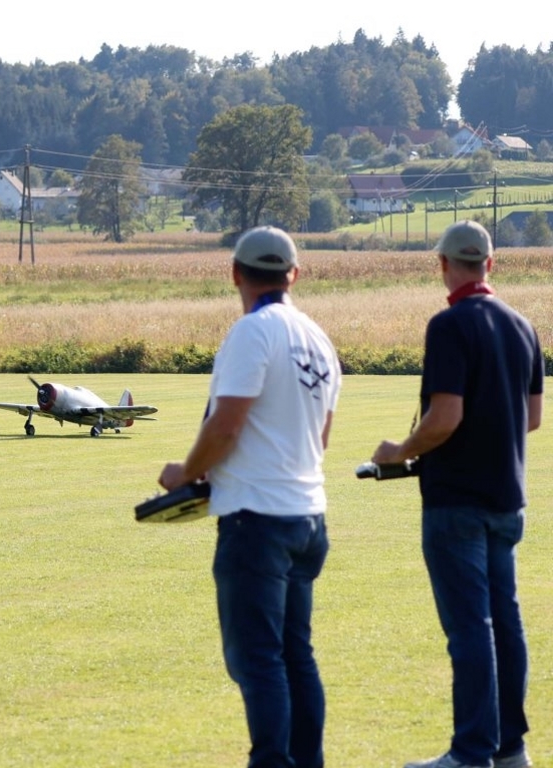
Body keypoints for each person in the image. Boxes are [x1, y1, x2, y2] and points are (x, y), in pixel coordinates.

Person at [159, 226, 341, 768]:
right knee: (295, 657)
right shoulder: (318, 337)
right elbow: (321, 437)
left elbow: (226, 425)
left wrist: (186, 472)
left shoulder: (251, 333)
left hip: (256, 521)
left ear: (235, 273)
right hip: (308, 515)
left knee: (257, 661)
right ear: (294, 274)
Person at [371, 219, 542, 768]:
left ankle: (471, 753)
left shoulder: (449, 326)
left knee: (470, 628)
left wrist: (400, 449)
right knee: (506, 625)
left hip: (456, 503)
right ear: (490, 264)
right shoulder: (524, 325)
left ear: (443, 264)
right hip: (507, 497)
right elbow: (532, 417)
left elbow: (445, 417)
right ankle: (511, 748)